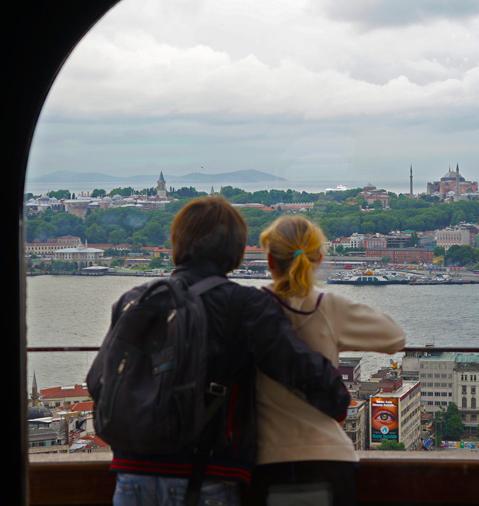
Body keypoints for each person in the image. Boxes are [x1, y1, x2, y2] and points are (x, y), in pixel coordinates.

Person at [110, 196, 350, 506]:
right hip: (205, 473)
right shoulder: (244, 304)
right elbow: (296, 366)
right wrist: (339, 402)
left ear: (176, 244)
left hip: (131, 473)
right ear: (236, 252)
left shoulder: (135, 299)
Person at [250, 215, 406, 506]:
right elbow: (395, 337)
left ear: (269, 261)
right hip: (328, 459)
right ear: (318, 260)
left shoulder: (248, 308)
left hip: (267, 458)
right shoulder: (328, 307)